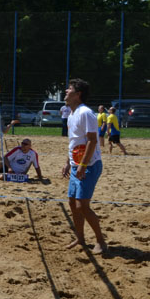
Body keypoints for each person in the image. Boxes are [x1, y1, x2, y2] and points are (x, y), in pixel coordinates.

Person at [61, 79, 107, 255]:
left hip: (89, 165)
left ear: (78, 94)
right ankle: (80, 238)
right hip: (77, 165)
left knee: (82, 206)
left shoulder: (86, 113)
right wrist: (68, 162)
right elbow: (74, 143)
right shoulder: (71, 114)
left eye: (70, 89)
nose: (66, 91)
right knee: (73, 203)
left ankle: (101, 241)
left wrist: (83, 165)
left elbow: (92, 141)